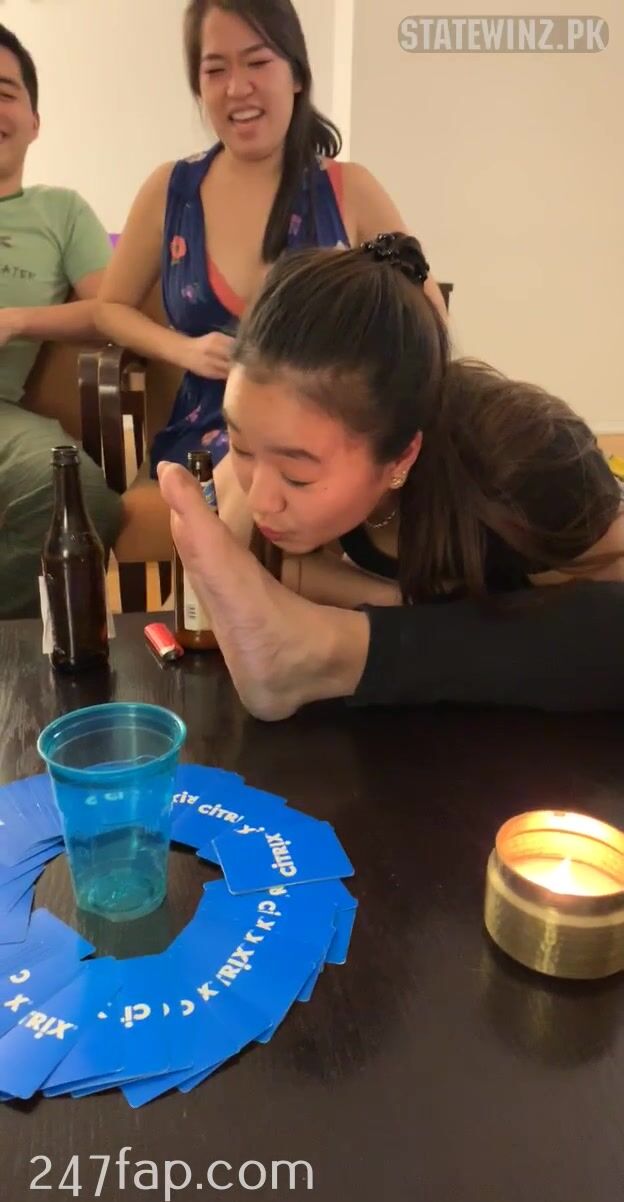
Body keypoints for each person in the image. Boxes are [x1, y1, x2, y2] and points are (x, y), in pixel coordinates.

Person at [156, 232, 624, 720]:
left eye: (297, 476)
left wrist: (341, 641)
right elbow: (225, 598)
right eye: (241, 446)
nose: (260, 499)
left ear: (400, 458)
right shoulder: (272, 445)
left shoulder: (530, 461)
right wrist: (397, 601)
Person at [95, 0, 447, 480]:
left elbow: (429, 316)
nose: (237, 88)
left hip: (331, 434)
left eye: (257, 62)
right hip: (209, 436)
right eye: (215, 70)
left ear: (296, 75)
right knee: (237, 475)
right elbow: (109, 307)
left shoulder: (350, 189)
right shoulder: (170, 191)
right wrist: (184, 350)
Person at [0, 24, 123, 618]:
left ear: (34, 120)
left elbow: (110, 312)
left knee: (84, 501)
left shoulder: (60, 211)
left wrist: (14, 320)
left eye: (4, 92)